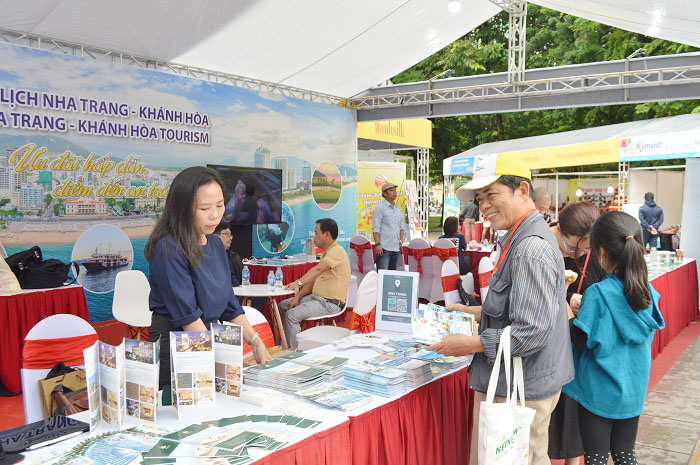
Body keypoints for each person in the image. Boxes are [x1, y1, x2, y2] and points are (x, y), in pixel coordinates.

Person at [429, 153, 574, 465]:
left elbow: (530, 333)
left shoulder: (529, 247)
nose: (484, 206)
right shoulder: (522, 236)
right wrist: (475, 312)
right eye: (480, 198)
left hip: (520, 387)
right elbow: (524, 306)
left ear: (522, 190)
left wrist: (468, 344)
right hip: (524, 382)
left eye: (491, 195)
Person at [145, 166, 272, 388]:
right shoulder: (169, 248)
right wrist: (219, 365)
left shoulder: (215, 243)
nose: (214, 215)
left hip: (208, 341)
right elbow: (188, 317)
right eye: (204, 208)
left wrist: (256, 342)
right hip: (177, 346)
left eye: (220, 205)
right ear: (182, 208)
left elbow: (229, 304)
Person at [563, 211, 664, 465]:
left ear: (600, 252)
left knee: (596, 457)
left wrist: (569, 311)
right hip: (633, 390)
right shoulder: (648, 292)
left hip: (599, 391)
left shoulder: (598, 294)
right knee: (625, 455)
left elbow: (582, 341)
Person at [547, 202, 607, 465]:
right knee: (549, 419)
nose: (579, 253)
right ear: (560, 230)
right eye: (574, 248)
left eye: (585, 249)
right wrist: (567, 299)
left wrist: (586, 304)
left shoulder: (596, 256)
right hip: (552, 344)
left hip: (580, 343)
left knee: (575, 415)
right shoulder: (546, 250)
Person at [280, 218, 351, 348]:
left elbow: (317, 270)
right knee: (284, 305)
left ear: (327, 234)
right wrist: (297, 297)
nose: (314, 237)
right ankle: (284, 344)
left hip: (329, 303)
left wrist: (298, 283)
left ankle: (293, 352)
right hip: (316, 299)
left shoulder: (337, 252)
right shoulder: (327, 253)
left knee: (291, 315)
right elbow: (314, 281)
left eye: (316, 233)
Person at [372, 182, 405, 270]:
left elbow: (401, 227)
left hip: (396, 248)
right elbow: (376, 227)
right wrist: (378, 244)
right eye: (391, 190)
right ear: (385, 193)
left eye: (395, 190)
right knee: (382, 275)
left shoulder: (399, 209)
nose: (394, 192)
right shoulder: (380, 208)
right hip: (384, 248)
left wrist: (401, 241)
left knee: (392, 275)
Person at [214, 222, 243, 286]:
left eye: (231, 235)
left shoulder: (234, 257)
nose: (231, 238)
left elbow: (244, 279)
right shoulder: (207, 257)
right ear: (215, 235)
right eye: (227, 234)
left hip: (237, 289)